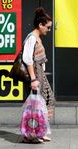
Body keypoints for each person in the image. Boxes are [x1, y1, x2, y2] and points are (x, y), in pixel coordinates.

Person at [22, 7, 55, 143]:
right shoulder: (31, 38)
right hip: (35, 75)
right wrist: (33, 79)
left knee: (47, 100)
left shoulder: (37, 38)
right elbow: (27, 59)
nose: (49, 30)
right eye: (47, 27)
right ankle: (31, 134)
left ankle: (41, 131)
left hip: (40, 74)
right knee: (35, 106)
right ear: (40, 25)